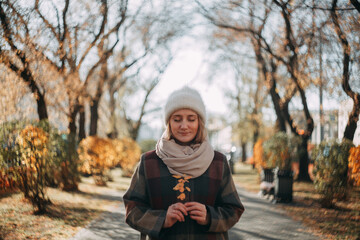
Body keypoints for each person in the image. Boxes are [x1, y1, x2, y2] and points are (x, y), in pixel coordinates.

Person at [123, 86, 244, 240]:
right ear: (168, 123)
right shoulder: (149, 162)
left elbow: (234, 209)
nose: (184, 125)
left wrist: (210, 217)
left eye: (191, 119)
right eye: (177, 119)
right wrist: (162, 219)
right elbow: (132, 209)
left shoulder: (218, 162)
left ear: (199, 122)